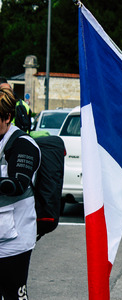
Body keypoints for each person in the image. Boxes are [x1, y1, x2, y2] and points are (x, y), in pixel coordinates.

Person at [0, 87, 40, 299]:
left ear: (7, 117)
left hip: (14, 241)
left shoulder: (22, 144)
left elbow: (19, 184)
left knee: (13, 295)